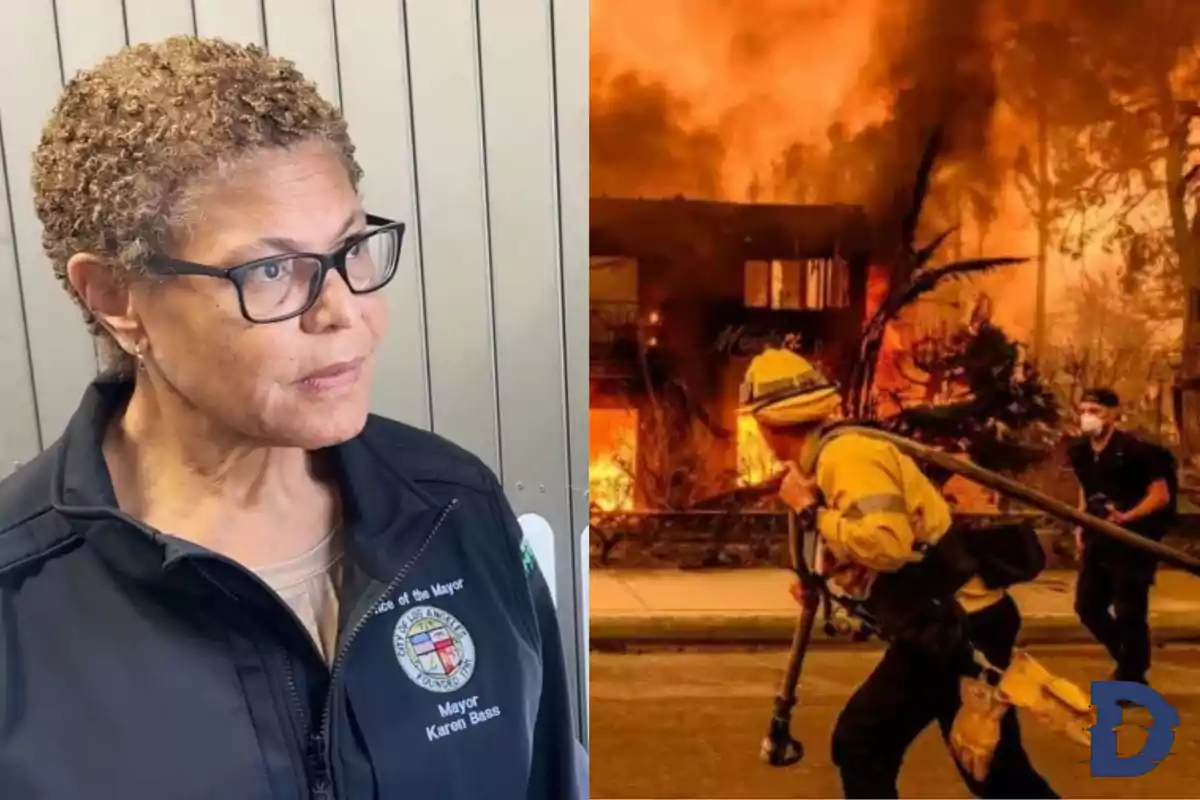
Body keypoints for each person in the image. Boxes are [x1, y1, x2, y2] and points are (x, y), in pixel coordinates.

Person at [0, 37, 585, 799]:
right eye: (271, 270)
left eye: (350, 249)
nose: (347, 315)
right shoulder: (20, 599)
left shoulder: (455, 508)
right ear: (116, 298)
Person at [741, 348, 1056, 799]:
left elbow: (888, 543)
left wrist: (810, 512)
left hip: (957, 627)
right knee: (993, 771)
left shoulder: (845, 456)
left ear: (767, 426)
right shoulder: (830, 456)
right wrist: (827, 578)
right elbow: (878, 545)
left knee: (862, 741)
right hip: (953, 622)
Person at [1068, 387, 1175, 692]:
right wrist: (1079, 526)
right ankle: (1130, 662)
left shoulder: (1137, 451)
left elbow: (1160, 495)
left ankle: (1132, 677)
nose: (1088, 417)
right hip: (1097, 538)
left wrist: (1128, 517)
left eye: (1096, 411)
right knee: (1088, 607)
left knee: (1129, 610)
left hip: (1133, 542)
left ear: (1114, 414)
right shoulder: (1081, 452)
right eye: (1084, 410)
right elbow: (1084, 492)